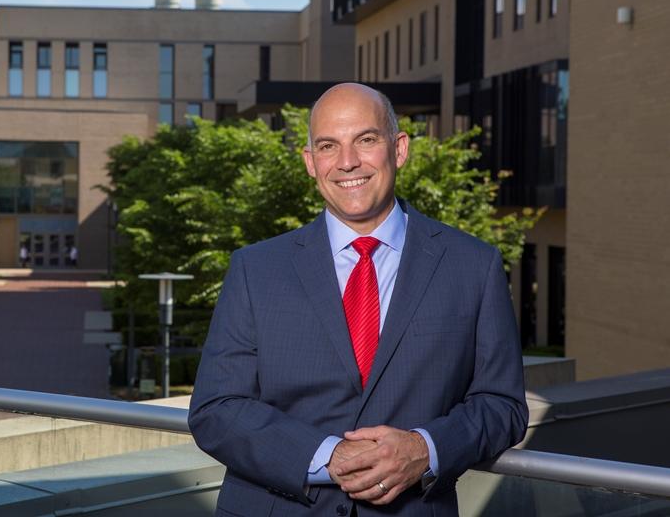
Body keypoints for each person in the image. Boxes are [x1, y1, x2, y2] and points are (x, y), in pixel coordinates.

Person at [188, 83, 527, 516]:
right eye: (328, 146)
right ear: (311, 163)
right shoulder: (256, 269)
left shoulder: (473, 266)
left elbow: (502, 405)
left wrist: (426, 448)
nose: (347, 162)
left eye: (366, 140)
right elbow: (217, 409)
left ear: (399, 148)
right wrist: (328, 455)